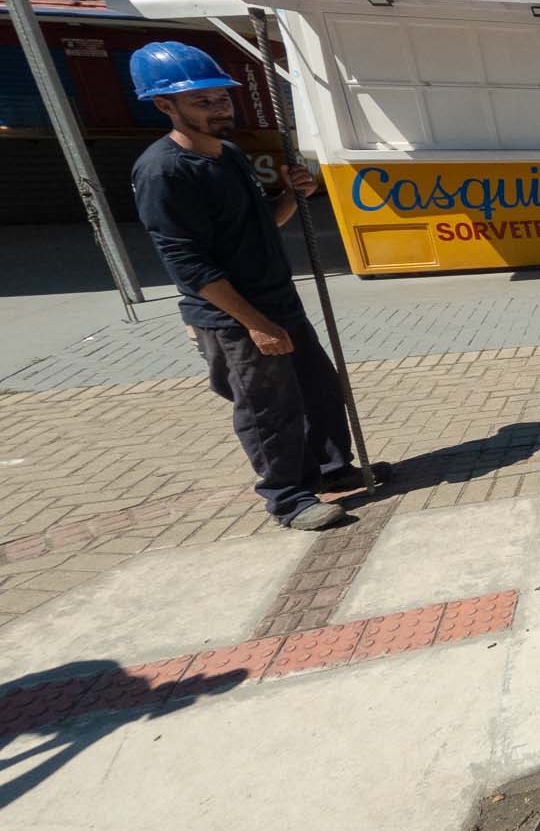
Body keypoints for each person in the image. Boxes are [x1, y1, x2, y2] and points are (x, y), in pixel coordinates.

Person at [130, 41, 375, 532]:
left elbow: (264, 221)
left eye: (221, 97)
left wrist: (292, 193)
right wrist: (255, 323)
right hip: (235, 318)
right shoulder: (164, 171)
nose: (218, 107)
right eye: (201, 101)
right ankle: (287, 497)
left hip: (278, 301)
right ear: (164, 105)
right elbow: (188, 264)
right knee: (269, 409)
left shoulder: (230, 155)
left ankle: (329, 472)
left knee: (320, 390)